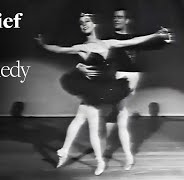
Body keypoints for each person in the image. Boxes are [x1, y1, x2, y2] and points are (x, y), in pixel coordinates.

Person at [35, 12, 172, 176]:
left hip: (112, 87)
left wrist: (156, 35)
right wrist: (44, 45)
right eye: (81, 23)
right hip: (94, 89)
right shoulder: (82, 47)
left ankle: (125, 157)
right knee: (88, 120)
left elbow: (133, 41)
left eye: (87, 21)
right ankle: (92, 159)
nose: (84, 24)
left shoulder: (108, 43)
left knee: (118, 118)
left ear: (94, 24)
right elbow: (59, 50)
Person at [75, 9, 172, 171]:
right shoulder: (110, 40)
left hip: (129, 79)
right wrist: (80, 66)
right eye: (115, 17)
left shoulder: (134, 39)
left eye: (120, 17)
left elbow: (151, 43)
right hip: (115, 78)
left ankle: (127, 156)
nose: (116, 20)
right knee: (112, 118)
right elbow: (90, 54)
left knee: (120, 117)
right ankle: (109, 149)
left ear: (127, 20)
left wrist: (160, 36)